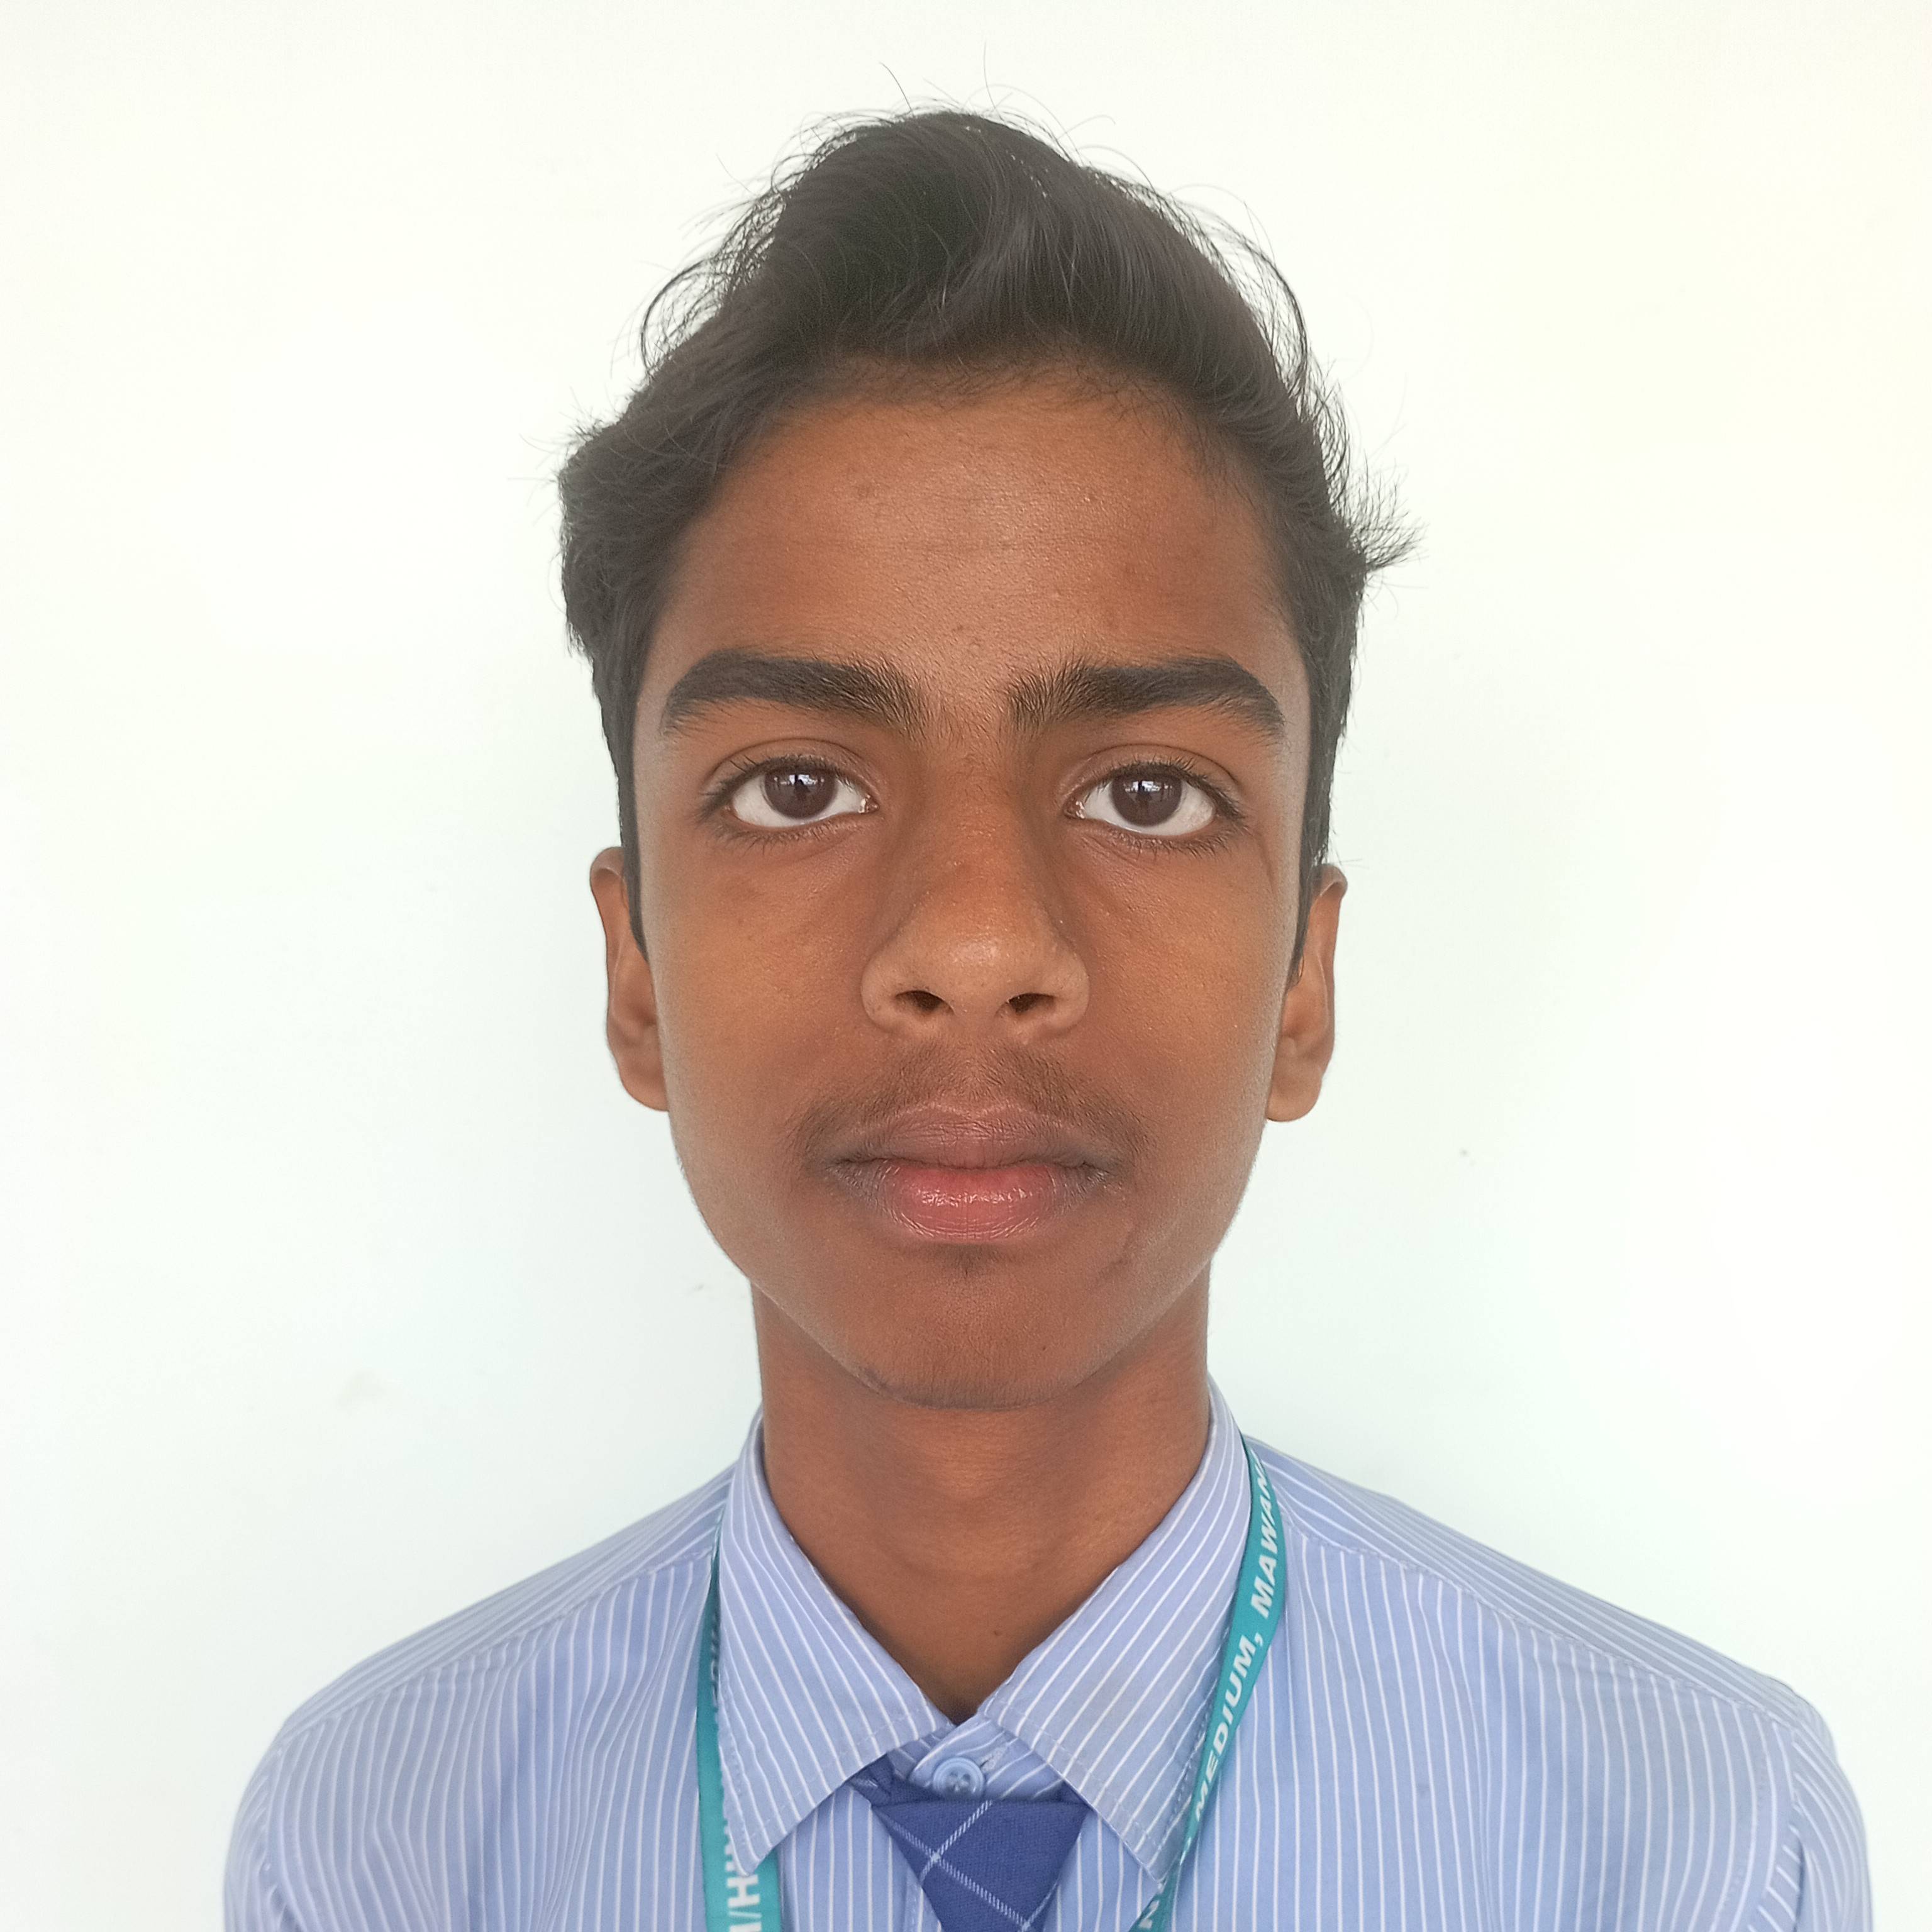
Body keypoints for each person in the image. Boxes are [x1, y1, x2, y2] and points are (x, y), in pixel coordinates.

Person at [224, 108, 1871, 1931]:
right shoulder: (379, 1844)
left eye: (1147, 795)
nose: (979, 944)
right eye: (794, 788)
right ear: (636, 978)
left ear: (1304, 983)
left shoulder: (1698, 1845)